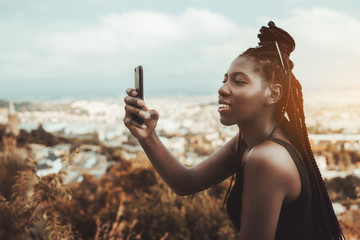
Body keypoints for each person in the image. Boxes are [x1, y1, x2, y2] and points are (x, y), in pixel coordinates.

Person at [123, 21, 345, 240]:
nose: (222, 88)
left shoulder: (267, 158)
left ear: (273, 94)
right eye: (225, 79)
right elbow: (186, 182)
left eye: (238, 81)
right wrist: (148, 136)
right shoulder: (249, 142)